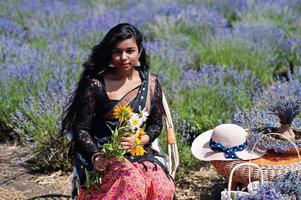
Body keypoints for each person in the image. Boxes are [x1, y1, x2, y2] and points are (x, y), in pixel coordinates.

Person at [61, 23, 176, 199]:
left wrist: (140, 140)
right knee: (133, 186)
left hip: (138, 153)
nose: (123, 57)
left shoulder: (151, 84)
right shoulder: (96, 84)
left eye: (130, 50)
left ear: (139, 51)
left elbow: (155, 124)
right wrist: (96, 156)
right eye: (117, 52)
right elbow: (81, 129)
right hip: (104, 154)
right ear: (110, 53)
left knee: (162, 189)